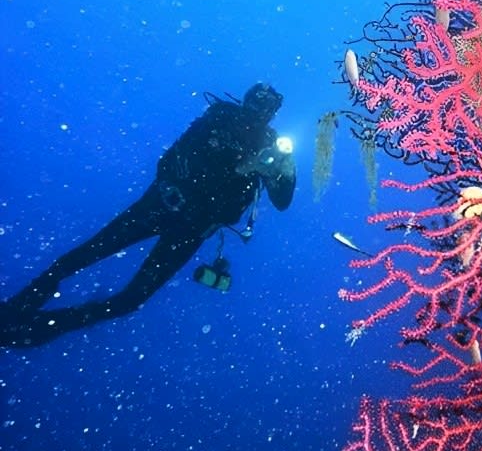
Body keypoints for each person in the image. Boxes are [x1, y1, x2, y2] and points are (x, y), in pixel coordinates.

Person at [0, 83, 296, 348]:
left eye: (269, 106)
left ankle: (41, 330)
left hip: (192, 229)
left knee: (131, 299)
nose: (261, 109)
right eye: (258, 101)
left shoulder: (271, 149)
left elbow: (282, 202)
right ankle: (16, 310)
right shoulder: (220, 117)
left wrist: (285, 171)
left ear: (274, 112)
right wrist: (171, 186)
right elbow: (172, 157)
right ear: (246, 99)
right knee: (86, 254)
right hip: (161, 206)